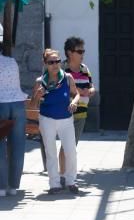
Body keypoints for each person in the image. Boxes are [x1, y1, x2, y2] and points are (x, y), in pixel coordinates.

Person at [32, 49, 80, 194]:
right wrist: (37, 95)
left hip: (66, 119)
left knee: (70, 150)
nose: (55, 65)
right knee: (51, 152)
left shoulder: (67, 78)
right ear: (45, 64)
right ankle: (54, 184)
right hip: (47, 119)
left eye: (57, 61)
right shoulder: (40, 82)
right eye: (51, 62)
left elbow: (76, 94)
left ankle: (71, 181)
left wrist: (75, 102)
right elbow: (33, 105)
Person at [59, 36, 95, 183]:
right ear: (69, 53)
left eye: (83, 51)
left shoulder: (84, 69)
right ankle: (63, 175)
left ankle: (68, 176)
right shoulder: (61, 68)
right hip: (65, 112)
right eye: (79, 51)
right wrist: (81, 91)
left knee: (72, 145)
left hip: (81, 113)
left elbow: (91, 85)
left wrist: (91, 91)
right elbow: (58, 87)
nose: (82, 54)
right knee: (65, 144)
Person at [0, 43, 27, 196]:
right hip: (17, 104)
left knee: (0, 148)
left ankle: (1, 187)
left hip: (0, 105)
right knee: (17, 147)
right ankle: (13, 187)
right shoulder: (11, 62)